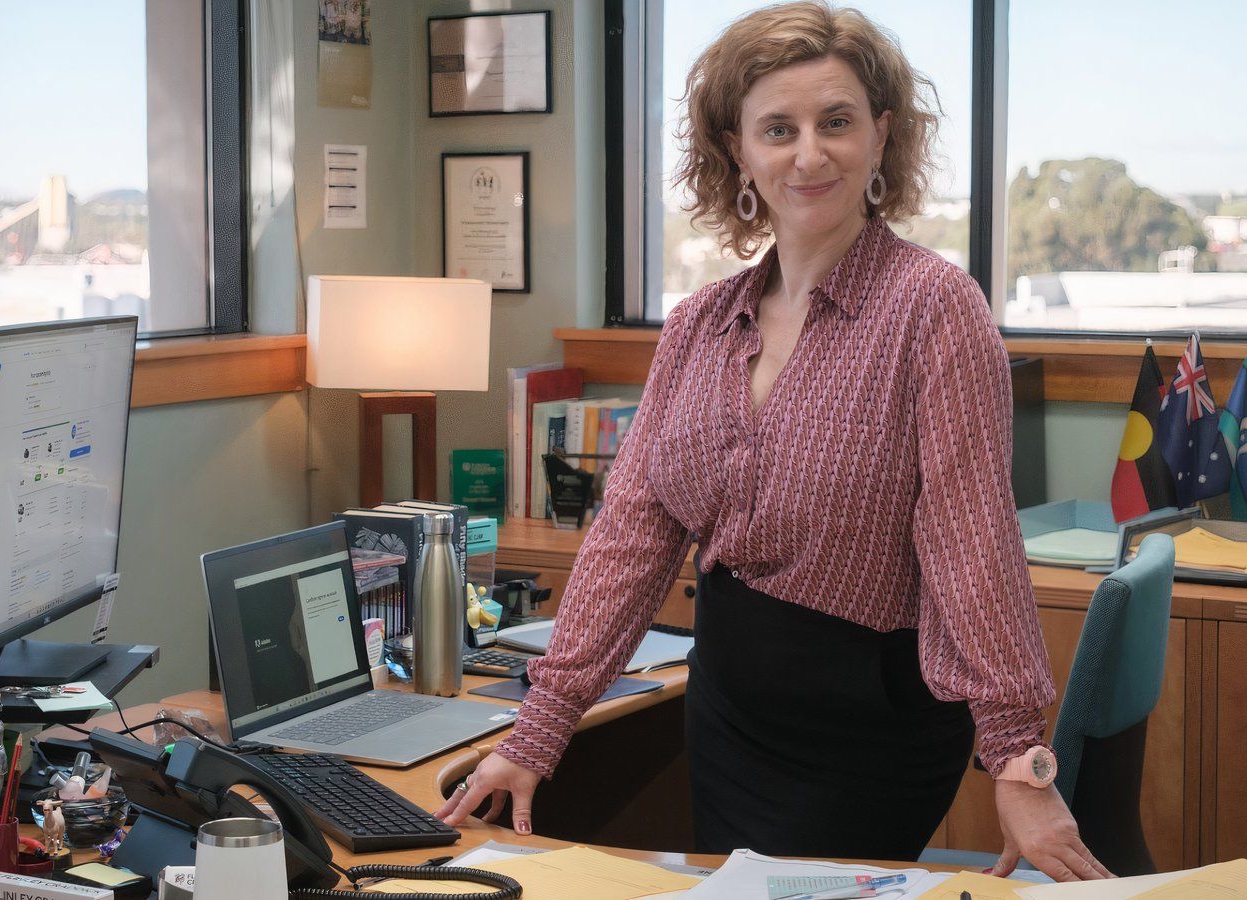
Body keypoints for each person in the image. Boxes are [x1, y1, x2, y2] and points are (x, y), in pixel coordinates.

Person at [436, 1, 1113, 882]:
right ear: (738, 150)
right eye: (778, 128)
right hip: (729, 711)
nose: (809, 153)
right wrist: (542, 728)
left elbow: (969, 539)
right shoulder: (698, 326)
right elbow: (633, 537)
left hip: (872, 724)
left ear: (881, 135)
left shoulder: (935, 309)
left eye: (836, 122)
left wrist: (1018, 760)